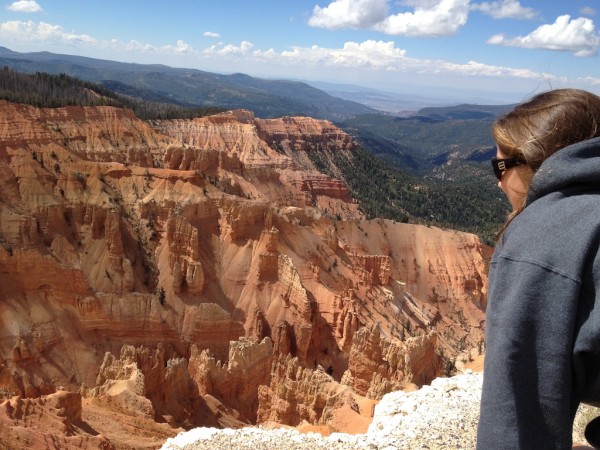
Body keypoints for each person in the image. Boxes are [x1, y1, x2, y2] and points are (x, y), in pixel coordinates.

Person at [477, 88, 600, 449]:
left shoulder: (542, 236)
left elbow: (517, 419)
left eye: (501, 166)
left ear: (535, 161)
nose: (499, 180)